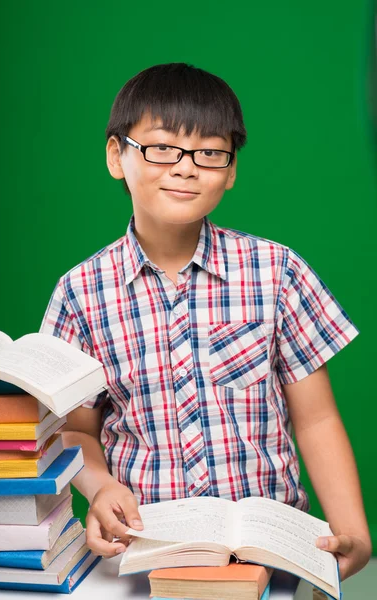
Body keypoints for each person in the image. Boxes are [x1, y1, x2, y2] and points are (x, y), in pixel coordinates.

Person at [40, 63, 371, 579]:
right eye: (162, 148)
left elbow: (317, 419)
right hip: (147, 547)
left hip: (269, 552)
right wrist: (101, 489)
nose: (185, 167)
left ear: (231, 169)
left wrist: (352, 527)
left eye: (210, 153)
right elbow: (76, 431)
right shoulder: (80, 293)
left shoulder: (275, 271)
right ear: (116, 156)